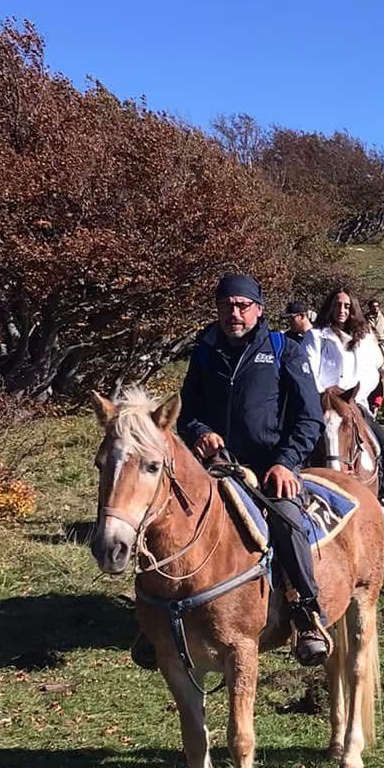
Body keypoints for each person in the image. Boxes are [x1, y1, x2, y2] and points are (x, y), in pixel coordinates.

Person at [132, 272, 330, 668]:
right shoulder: (205, 351)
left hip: (270, 469)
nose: (233, 313)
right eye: (226, 306)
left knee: (286, 519)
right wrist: (201, 432)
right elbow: (187, 412)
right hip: (214, 467)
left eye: (242, 305)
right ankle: (154, 618)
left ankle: (306, 612)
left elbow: (309, 418)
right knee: (159, 516)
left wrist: (285, 462)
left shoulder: (284, 350)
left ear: (258, 309)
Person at [311, 288, 384, 520]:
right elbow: (309, 368)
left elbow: (372, 371)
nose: (342, 310)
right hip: (324, 402)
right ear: (330, 307)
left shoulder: (365, 337)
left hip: (354, 401)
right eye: (337, 305)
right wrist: (326, 394)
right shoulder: (316, 336)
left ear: (353, 309)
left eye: (347, 306)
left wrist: (356, 395)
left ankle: (383, 494)